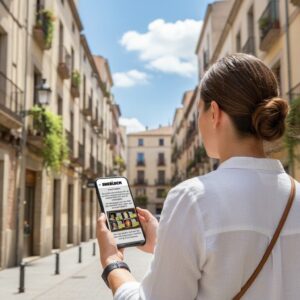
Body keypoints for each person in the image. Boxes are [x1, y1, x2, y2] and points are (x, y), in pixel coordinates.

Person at [96, 53, 300, 299]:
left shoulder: (192, 198)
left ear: (214, 113)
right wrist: (165, 243)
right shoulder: (296, 195)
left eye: (198, 113)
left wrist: (112, 264)